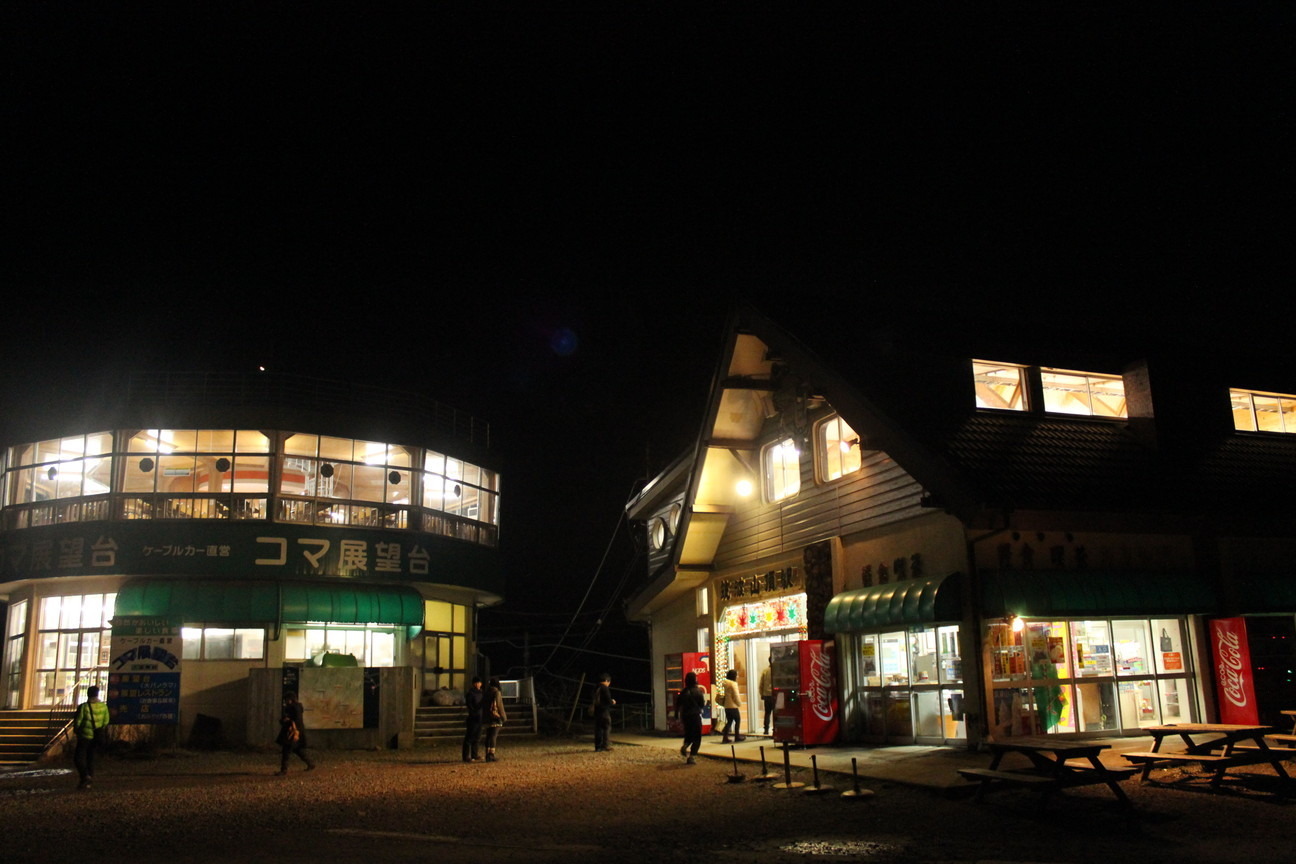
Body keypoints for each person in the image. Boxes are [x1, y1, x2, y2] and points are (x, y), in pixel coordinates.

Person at [73, 684, 110, 789]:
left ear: (88, 694)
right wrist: (99, 728)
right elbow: (106, 721)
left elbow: (78, 721)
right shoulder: (103, 706)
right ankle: (89, 780)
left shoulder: (84, 707)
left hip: (85, 735)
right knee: (91, 757)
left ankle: (85, 776)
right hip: (97, 735)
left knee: (78, 758)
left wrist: (77, 731)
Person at [276, 690, 315, 775]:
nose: (285, 701)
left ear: (290, 699)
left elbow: (292, 720)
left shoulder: (292, 708)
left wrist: (286, 720)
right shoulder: (298, 707)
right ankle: (310, 763)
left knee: (286, 750)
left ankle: (284, 770)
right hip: (297, 732)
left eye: (286, 699)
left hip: (292, 732)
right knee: (298, 750)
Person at [674, 671, 706, 764]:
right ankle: (692, 756)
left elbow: (678, 704)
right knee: (697, 736)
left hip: (685, 716)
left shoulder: (683, 691)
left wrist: (676, 715)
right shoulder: (698, 691)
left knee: (688, 734)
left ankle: (685, 744)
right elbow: (702, 704)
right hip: (695, 715)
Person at [483, 678, 507, 762]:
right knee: (494, 736)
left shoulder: (486, 693)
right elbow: (499, 705)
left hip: (487, 717)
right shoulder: (497, 692)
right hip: (495, 717)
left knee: (488, 735)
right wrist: (503, 717)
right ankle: (491, 754)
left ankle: (487, 754)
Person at [462, 676, 486, 762]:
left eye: (479, 683)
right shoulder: (470, 693)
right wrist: (475, 711)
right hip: (473, 718)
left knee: (477, 737)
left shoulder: (481, 693)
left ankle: (474, 755)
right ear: (473, 684)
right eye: (476, 683)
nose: (477, 684)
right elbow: (470, 706)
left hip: (480, 718)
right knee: (469, 737)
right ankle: (466, 756)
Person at [592, 672, 615, 752]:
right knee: (606, 728)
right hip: (604, 711)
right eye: (609, 682)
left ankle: (597, 747)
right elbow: (608, 701)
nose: (609, 684)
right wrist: (612, 701)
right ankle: (605, 745)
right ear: (606, 680)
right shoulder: (605, 688)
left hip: (596, 711)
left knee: (598, 729)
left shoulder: (595, 687)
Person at [720, 668, 745, 743]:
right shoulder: (733, 684)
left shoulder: (726, 684)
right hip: (733, 705)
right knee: (737, 720)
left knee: (730, 721)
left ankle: (725, 737)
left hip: (727, 705)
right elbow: (736, 695)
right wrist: (739, 703)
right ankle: (737, 736)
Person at [759, 662, 775, 735]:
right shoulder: (777, 670)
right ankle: (775, 729)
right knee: (776, 713)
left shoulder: (765, 671)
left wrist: (762, 694)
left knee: (767, 713)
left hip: (766, 695)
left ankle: (766, 729)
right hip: (775, 694)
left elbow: (761, 684)